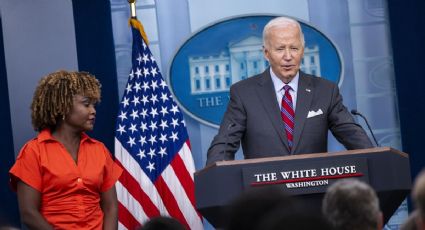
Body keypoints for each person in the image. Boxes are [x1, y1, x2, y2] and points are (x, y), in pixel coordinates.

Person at [206, 16, 373, 165]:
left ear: (302, 50)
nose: (288, 56)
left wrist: (376, 161)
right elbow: (224, 145)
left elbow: (353, 136)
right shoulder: (244, 94)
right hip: (266, 195)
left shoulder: (325, 91)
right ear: (266, 53)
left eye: (294, 48)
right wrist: (215, 176)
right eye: (280, 49)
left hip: (315, 190)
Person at [9, 71, 123, 229]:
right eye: (86, 104)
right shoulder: (34, 152)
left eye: (93, 105)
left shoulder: (100, 150)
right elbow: (29, 213)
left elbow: (111, 207)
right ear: (62, 107)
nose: (93, 111)